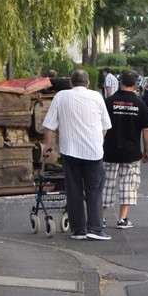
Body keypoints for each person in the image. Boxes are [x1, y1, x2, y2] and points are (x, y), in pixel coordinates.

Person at [41, 69, 112, 241]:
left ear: (71, 83)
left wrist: (48, 146)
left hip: (70, 150)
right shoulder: (96, 96)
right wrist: (97, 141)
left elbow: (49, 126)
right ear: (87, 84)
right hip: (93, 152)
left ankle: (78, 230)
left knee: (73, 190)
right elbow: (106, 126)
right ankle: (94, 229)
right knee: (94, 190)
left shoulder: (61, 96)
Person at [101, 71, 148, 229]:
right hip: (131, 153)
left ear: (120, 82)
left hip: (109, 151)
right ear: (136, 85)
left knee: (106, 184)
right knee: (128, 185)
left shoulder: (109, 102)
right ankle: (123, 219)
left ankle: (100, 218)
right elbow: (146, 130)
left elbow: (102, 127)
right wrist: (146, 151)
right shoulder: (140, 104)